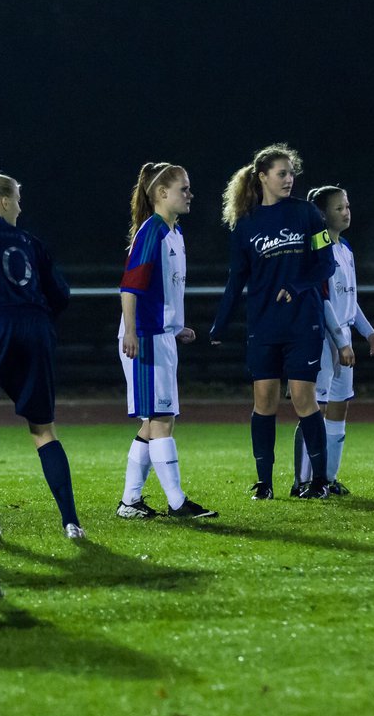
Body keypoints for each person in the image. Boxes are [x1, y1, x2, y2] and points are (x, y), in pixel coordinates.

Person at [0, 173, 85, 538]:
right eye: (18, 197)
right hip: (33, 328)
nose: (21, 205)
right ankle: (71, 521)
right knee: (44, 430)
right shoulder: (30, 242)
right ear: (3, 202)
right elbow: (60, 295)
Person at [209, 144, 337, 501]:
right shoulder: (246, 223)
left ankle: (318, 482)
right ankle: (264, 483)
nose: (288, 179)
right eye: (281, 173)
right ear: (262, 177)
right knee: (264, 401)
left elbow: (326, 263)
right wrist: (220, 324)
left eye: (291, 173)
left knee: (302, 398)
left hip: (303, 322)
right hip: (264, 324)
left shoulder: (308, 214)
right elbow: (237, 279)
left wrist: (296, 287)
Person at [117, 162, 218, 519]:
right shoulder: (153, 231)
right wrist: (131, 332)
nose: (189, 194)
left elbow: (162, 292)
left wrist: (176, 326)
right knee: (161, 418)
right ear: (162, 194)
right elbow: (129, 287)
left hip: (161, 336)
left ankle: (130, 502)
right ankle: (177, 503)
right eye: (183, 189)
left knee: (156, 421)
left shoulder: (174, 233)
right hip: (144, 337)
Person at [292, 185, 374, 497]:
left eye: (347, 206)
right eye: (339, 208)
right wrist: (341, 342)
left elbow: (350, 301)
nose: (346, 212)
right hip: (322, 338)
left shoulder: (345, 248)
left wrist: (367, 332)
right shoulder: (316, 248)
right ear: (321, 214)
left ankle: (327, 479)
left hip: (342, 337)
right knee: (313, 408)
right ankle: (303, 482)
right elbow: (324, 300)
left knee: (339, 408)